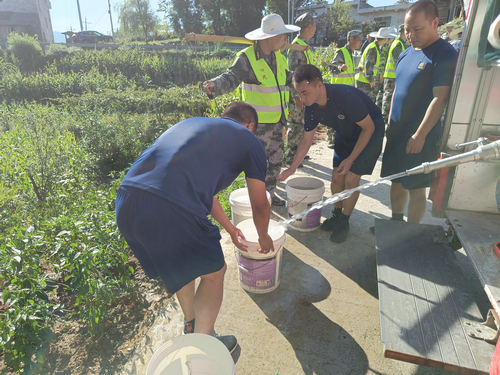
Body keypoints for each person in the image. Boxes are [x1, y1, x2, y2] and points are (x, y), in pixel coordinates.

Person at [115, 102, 274, 353]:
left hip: (127, 202)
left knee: (183, 268)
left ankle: (194, 328)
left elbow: (204, 194)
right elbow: (261, 205)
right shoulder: (249, 140)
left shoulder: (194, 125)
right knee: (214, 272)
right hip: (170, 207)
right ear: (250, 126)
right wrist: (264, 237)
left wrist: (231, 229)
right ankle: (201, 351)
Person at [279, 64, 384, 243]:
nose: (301, 99)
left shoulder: (345, 97)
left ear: (319, 86)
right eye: (299, 94)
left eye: (305, 93)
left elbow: (369, 128)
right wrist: (292, 168)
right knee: (336, 177)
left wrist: (351, 159)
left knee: (351, 178)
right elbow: (306, 140)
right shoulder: (311, 107)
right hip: (346, 134)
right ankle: (336, 213)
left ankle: (344, 221)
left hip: (369, 133)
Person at [203, 14, 300, 207]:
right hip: (257, 126)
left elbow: (285, 77)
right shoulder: (247, 59)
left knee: (275, 161)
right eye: (282, 36)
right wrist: (214, 85)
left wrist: (301, 80)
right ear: (271, 37)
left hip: (277, 122)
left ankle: (269, 195)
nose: (284, 40)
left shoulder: (278, 56)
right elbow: (231, 78)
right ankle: (254, 201)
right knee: (257, 165)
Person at [380, 0, 457, 224]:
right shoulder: (406, 53)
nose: (411, 35)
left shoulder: (443, 54)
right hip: (397, 132)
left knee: (416, 188)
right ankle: (396, 223)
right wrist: (390, 123)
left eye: (417, 29)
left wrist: (420, 135)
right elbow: (397, 89)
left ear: (435, 23)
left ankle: (412, 231)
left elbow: (439, 98)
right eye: (407, 29)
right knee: (396, 181)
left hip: (418, 137)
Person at [286, 12, 317, 166]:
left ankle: (299, 153)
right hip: (298, 95)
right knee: (295, 124)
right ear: (309, 26)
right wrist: (297, 97)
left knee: (302, 123)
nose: (315, 28)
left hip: (305, 94)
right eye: (314, 25)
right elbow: (293, 75)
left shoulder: (304, 46)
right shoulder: (296, 46)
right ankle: (291, 156)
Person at [325, 29, 365, 149]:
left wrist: (358, 70)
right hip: (338, 90)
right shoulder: (341, 51)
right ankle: (331, 140)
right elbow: (332, 67)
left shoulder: (351, 54)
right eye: (359, 40)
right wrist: (339, 67)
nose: (361, 43)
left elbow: (349, 71)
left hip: (347, 91)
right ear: (351, 39)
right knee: (334, 114)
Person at [355, 27, 396, 102]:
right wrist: (371, 80)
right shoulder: (373, 48)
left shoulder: (374, 47)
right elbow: (369, 65)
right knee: (364, 103)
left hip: (363, 80)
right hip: (364, 82)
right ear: (385, 39)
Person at [381, 24, 407, 123]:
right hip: (391, 77)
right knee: (387, 101)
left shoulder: (399, 43)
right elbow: (398, 63)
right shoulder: (398, 44)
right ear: (403, 32)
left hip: (392, 76)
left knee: (389, 99)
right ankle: (384, 122)